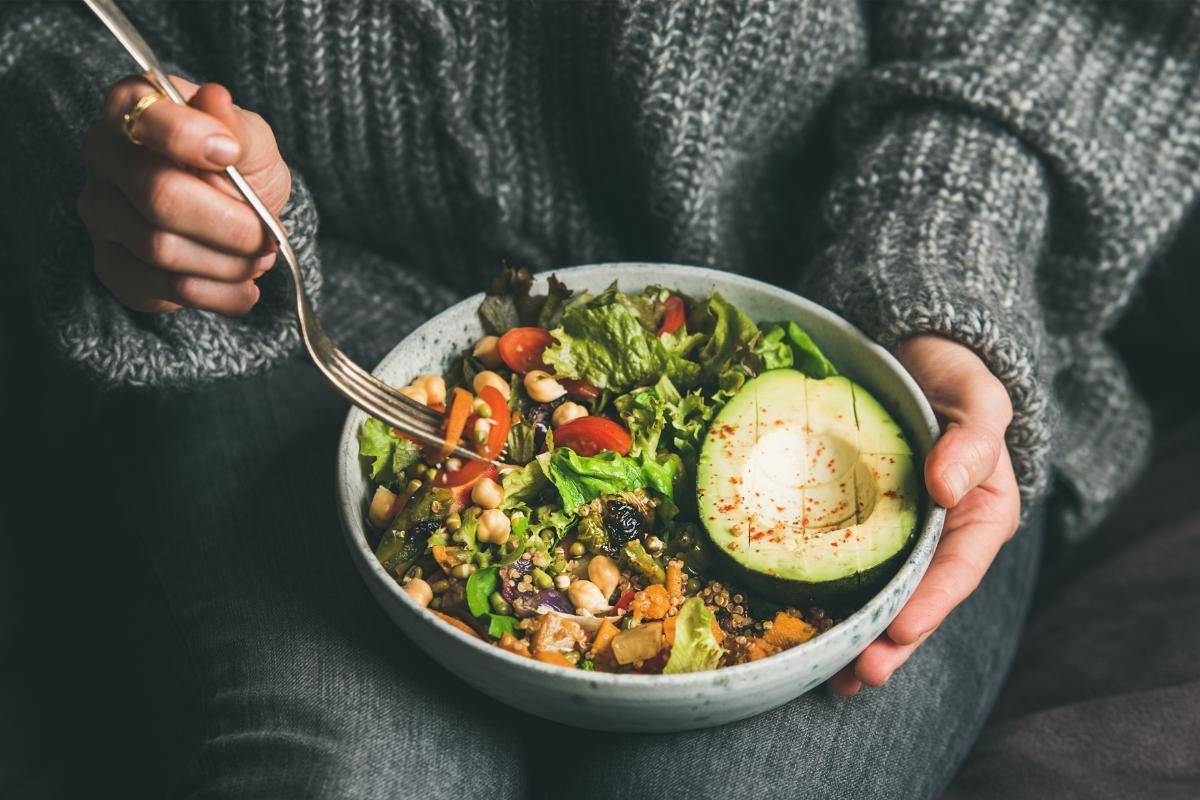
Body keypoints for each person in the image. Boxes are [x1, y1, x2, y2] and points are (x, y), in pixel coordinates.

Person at [1, 1, 1197, 797]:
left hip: (858, 321)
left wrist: (941, 255)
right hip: (270, 324)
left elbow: (1074, 24)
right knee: (355, 772)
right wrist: (115, 148)